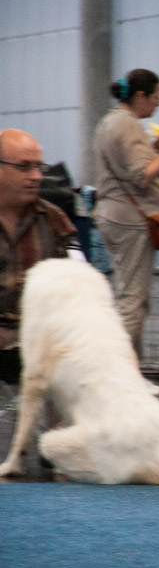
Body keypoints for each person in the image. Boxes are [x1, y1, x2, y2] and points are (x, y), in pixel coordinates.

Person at [93, 69, 159, 355]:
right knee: (133, 301)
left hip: (112, 215)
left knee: (126, 295)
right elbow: (142, 175)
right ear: (140, 96)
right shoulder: (128, 124)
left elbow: (125, 164)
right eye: (156, 98)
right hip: (130, 221)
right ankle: (124, 372)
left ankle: (123, 369)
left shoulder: (109, 121)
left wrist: (154, 148)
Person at [0, 129, 79, 382]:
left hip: (41, 340)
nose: (36, 177)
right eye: (24, 167)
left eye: (38, 167)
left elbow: (80, 281)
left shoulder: (56, 220)